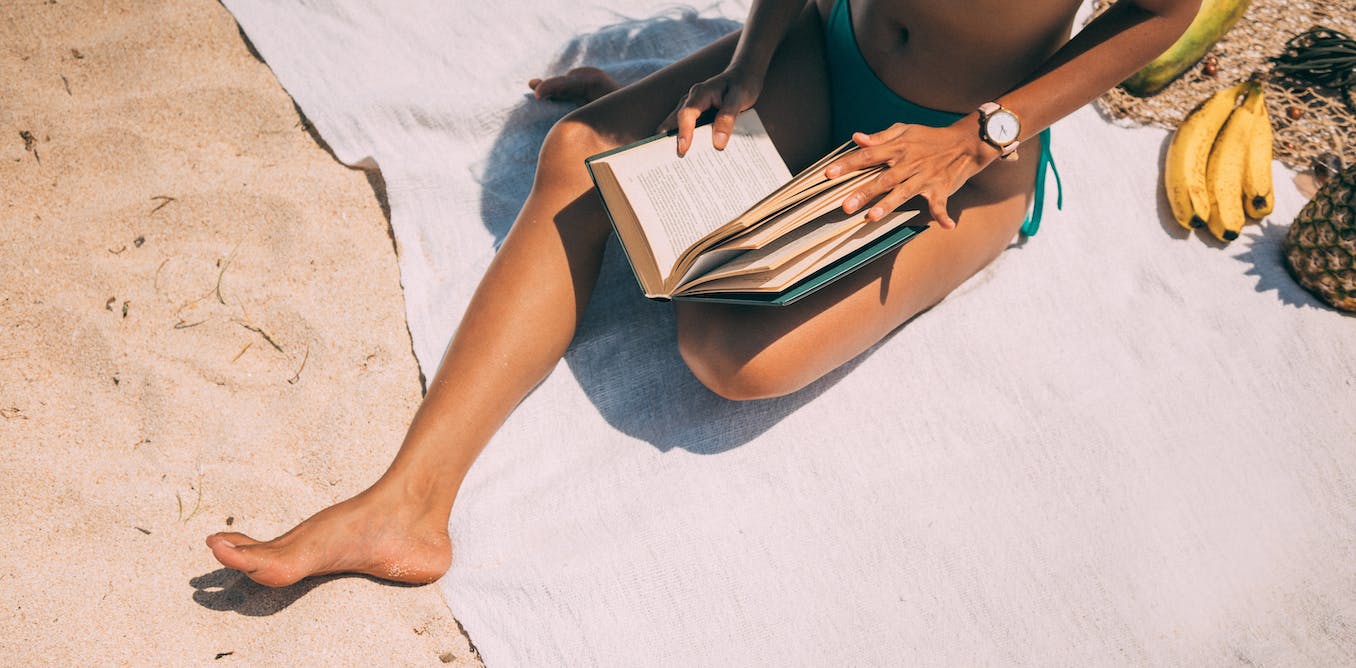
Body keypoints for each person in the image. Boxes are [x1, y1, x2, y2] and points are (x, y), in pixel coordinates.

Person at [207, 0, 1199, 586]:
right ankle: (406, 504)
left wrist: (981, 139)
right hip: (827, 49)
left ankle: (781, 175)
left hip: (962, 152)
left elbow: (1163, 13)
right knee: (583, 154)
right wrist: (751, 56)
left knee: (731, 353)